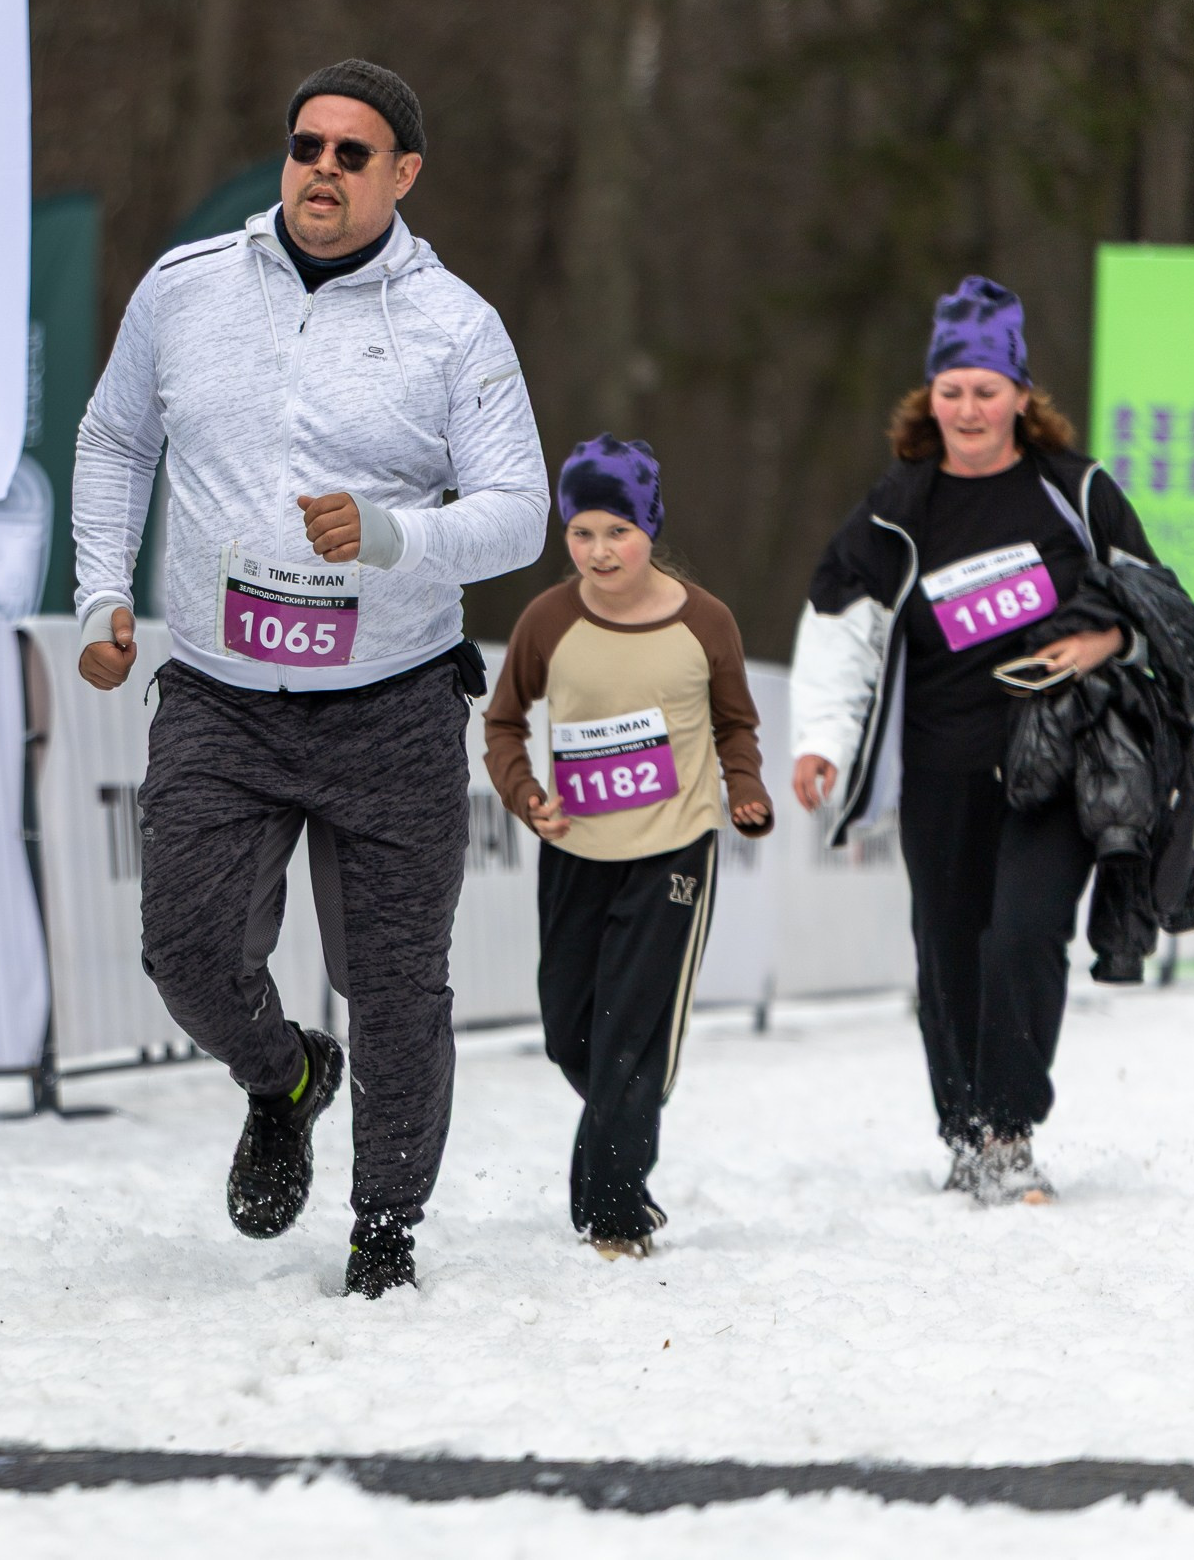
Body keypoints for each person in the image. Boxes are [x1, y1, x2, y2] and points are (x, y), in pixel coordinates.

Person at [73, 60, 547, 1298]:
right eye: (306, 146)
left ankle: (384, 1225)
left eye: (352, 153)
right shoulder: (185, 292)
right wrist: (101, 593)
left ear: (402, 175)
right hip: (222, 693)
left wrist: (396, 537)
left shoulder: (457, 326)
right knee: (180, 950)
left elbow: (518, 516)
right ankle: (284, 1077)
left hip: (390, 699)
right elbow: (115, 438)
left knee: (394, 983)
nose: (322, 170)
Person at [790, 277, 1154, 1206]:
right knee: (948, 950)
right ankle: (964, 1131)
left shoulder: (1077, 494)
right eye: (951, 389)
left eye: (987, 389)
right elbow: (838, 625)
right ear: (929, 397)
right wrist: (822, 742)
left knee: (1024, 938)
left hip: (1056, 764)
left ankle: (1008, 1131)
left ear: (1023, 397)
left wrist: (1111, 637)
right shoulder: (896, 510)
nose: (968, 408)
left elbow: (1161, 603)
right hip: (942, 769)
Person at [484, 437, 772, 1259]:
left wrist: (742, 786)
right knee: (570, 1035)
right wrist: (525, 793)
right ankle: (617, 1140)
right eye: (582, 532)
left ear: (651, 528)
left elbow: (735, 724)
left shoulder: (705, 621)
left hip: (674, 850)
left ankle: (615, 1212)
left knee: (631, 1035)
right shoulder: (548, 620)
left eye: (618, 531)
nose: (600, 551)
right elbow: (503, 723)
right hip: (575, 850)